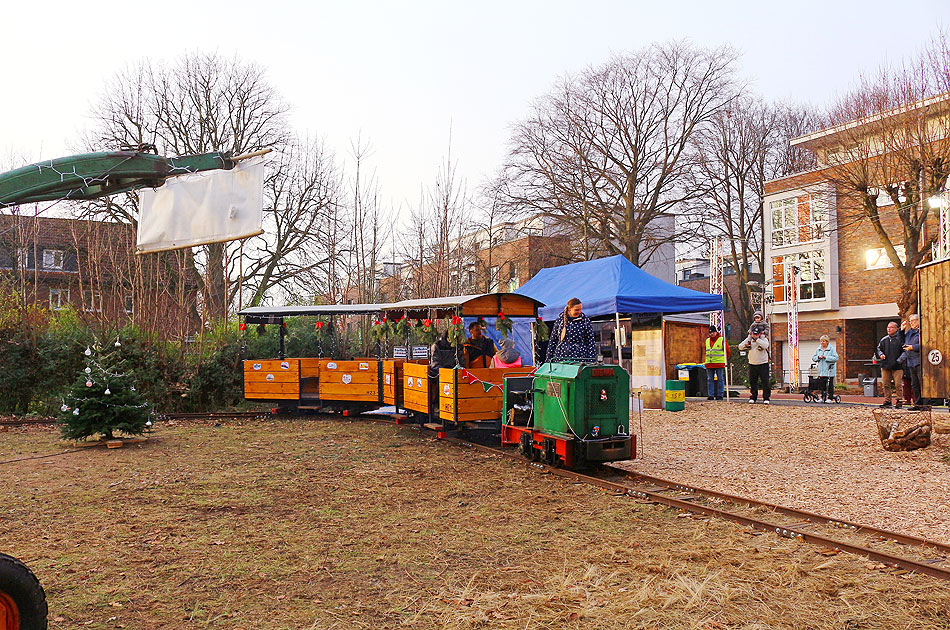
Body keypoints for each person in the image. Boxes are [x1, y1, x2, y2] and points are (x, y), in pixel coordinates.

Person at [545, 298, 596, 362]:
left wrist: (591, 360)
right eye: (576, 310)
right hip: (561, 359)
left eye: (580, 309)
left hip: (580, 359)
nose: (579, 312)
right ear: (569, 309)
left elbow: (590, 341)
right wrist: (548, 360)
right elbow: (553, 340)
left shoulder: (585, 321)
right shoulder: (560, 320)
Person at [876, 320, 905, 408]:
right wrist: (881, 354)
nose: (889, 329)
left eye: (891, 327)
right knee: (885, 384)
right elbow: (878, 348)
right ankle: (887, 401)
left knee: (898, 384)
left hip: (897, 366)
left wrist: (900, 360)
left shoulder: (900, 339)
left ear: (896, 329)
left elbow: (905, 351)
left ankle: (899, 400)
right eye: (888, 327)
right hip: (885, 365)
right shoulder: (884, 339)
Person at [738, 328, 770, 404]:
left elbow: (765, 346)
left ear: (759, 334)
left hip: (763, 363)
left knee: (765, 382)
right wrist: (746, 343)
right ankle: (753, 397)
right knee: (753, 382)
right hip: (752, 363)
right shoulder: (749, 339)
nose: (755, 336)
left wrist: (757, 340)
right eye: (753, 334)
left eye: (756, 334)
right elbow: (740, 346)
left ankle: (766, 398)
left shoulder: (763, 339)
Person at [704, 325, 731, 400]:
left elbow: (727, 351)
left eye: (712, 332)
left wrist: (725, 360)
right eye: (710, 333)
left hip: (719, 363)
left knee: (719, 379)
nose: (711, 334)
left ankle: (719, 395)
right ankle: (711, 395)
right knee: (710, 379)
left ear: (716, 332)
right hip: (709, 363)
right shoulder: (707, 341)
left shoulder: (722, 340)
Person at [903, 314, 922, 409]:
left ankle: (925, 404)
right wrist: (901, 330)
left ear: (918, 320)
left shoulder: (922, 331)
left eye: (912, 321)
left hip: (920, 361)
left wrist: (913, 347)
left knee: (921, 383)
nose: (911, 323)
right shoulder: (909, 332)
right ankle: (917, 403)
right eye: (910, 321)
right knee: (914, 384)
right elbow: (901, 340)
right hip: (911, 361)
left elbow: (925, 343)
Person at [811, 335, 839, 402]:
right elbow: (813, 358)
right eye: (821, 341)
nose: (822, 343)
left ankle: (830, 397)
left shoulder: (831, 349)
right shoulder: (818, 349)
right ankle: (822, 397)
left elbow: (836, 358)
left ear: (827, 341)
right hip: (821, 371)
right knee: (822, 385)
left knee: (830, 385)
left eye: (823, 341)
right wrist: (818, 357)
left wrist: (826, 357)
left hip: (829, 370)